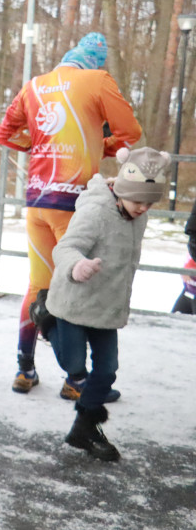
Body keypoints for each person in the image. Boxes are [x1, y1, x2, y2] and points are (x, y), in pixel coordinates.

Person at [0, 32, 142, 396]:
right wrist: (101, 144)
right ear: (95, 62)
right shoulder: (98, 80)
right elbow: (130, 133)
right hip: (77, 204)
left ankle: (24, 369)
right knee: (79, 284)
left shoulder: (34, 86)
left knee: (37, 286)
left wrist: (41, 144)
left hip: (37, 200)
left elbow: (7, 135)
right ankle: (77, 379)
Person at [45, 147, 172, 461]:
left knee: (107, 369)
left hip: (107, 306)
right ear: (121, 192)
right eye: (137, 201)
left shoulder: (136, 214)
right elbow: (65, 248)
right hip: (74, 301)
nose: (143, 208)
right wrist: (78, 265)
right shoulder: (97, 212)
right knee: (74, 366)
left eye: (149, 202)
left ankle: (84, 428)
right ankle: (46, 322)